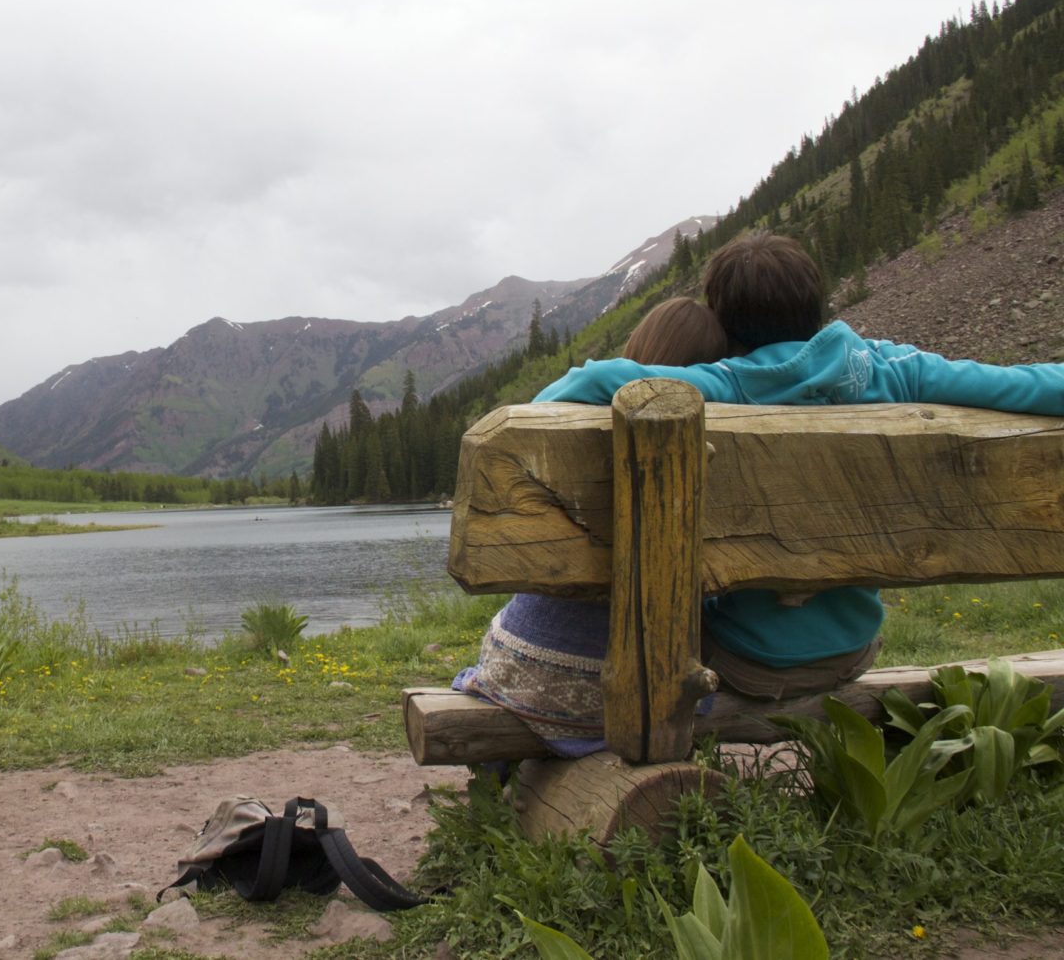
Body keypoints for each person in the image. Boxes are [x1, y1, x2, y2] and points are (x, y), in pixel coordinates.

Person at [538, 230, 1064, 700]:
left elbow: (587, 383)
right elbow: (1028, 385)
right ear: (817, 305)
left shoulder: (726, 385)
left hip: (743, 659)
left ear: (724, 320)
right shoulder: (895, 371)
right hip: (852, 649)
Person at [452, 297, 728, 756]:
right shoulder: (727, 436)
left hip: (529, 673)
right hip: (668, 680)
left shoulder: (585, 418)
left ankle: (504, 778)